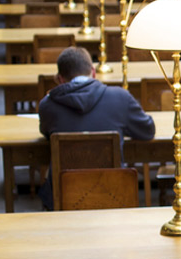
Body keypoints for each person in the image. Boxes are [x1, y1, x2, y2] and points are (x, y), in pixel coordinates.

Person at [38, 47, 155, 209]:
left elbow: (46, 132)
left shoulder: (47, 105)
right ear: (93, 72)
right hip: (112, 192)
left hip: (64, 194)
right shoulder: (120, 98)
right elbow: (148, 131)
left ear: (60, 79)